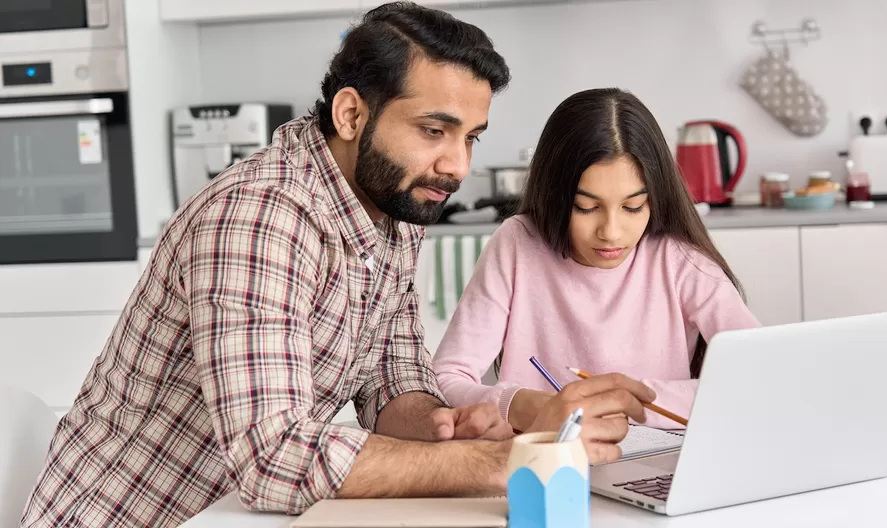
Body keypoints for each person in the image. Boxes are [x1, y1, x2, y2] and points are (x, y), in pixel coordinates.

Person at [20, 6, 655, 528]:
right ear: (352, 114)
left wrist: (442, 426)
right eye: (435, 130)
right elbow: (274, 460)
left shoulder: (392, 207)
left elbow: (389, 381)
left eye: (471, 137)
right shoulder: (259, 218)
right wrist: (501, 461)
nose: (458, 166)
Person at [432, 88, 761, 434]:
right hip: (549, 462)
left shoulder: (677, 257)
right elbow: (446, 377)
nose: (612, 232)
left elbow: (758, 370)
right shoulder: (518, 243)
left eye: (633, 207)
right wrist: (518, 404)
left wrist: (627, 400)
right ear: (556, 196)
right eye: (586, 207)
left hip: (657, 458)